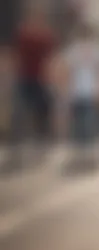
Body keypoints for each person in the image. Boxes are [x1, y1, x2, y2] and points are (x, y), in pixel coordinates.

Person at [59, 24, 99, 168]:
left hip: (84, 91)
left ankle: (84, 153)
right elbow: (66, 70)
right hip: (84, 91)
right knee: (85, 121)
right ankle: (86, 153)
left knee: (85, 121)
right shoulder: (91, 50)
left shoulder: (78, 50)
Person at [7, 11, 56, 165]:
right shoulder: (28, 35)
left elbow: (50, 58)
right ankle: (18, 147)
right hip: (26, 78)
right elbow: (15, 55)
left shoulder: (43, 36)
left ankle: (37, 145)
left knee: (38, 113)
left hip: (39, 79)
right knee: (21, 113)